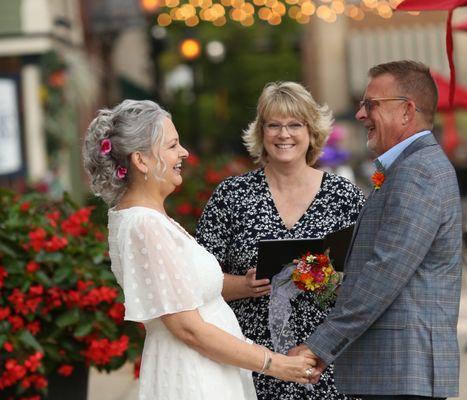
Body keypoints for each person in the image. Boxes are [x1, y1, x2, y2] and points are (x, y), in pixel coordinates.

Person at [82, 99, 316, 400]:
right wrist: (275, 364)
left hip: (206, 370)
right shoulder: (145, 225)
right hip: (192, 377)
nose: (184, 153)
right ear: (141, 161)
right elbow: (188, 328)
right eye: (172, 145)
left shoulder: (151, 219)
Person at [291, 61, 462, 400]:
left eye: (370, 104)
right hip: (396, 370)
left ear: (406, 111)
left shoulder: (418, 172)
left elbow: (386, 270)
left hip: (401, 369)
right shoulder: (410, 168)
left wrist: (320, 346)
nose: (359, 114)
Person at [196, 81, 365, 400]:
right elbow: (195, 283)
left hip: (325, 360)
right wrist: (241, 285)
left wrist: (327, 281)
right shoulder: (232, 197)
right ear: (261, 132)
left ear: (311, 131)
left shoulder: (345, 198)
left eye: (294, 125)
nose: (283, 134)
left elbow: (367, 285)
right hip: (251, 360)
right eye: (273, 125)